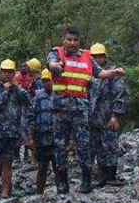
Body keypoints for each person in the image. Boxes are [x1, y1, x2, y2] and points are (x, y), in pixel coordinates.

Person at [47, 26, 125, 194]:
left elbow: (101, 73)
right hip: (60, 108)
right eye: (69, 40)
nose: (72, 43)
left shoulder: (87, 57)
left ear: (79, 41)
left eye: (75, 40)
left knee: (84, 145)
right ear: (63, 40)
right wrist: (55, 66)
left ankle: (86, 182)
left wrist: (115, 72)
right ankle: (62, 183)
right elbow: (51, 64)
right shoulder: (56, 53)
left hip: (80, 109)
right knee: (60, 145)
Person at [0, 59, 33, 199]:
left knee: (8, 163)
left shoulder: (18, 89)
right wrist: (6, 92)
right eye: (5, 72)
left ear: (14, 73)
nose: (7, 74)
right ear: (0, 72)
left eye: (10, 72)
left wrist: (16, 88)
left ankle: (6, 192)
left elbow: (27, 100)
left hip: (13, 132)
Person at [87, 44, 128, 187]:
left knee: (110, 146)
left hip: (108, 117)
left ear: (105, 57)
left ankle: (111, 176)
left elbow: (120, 94)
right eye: (94, 57)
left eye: (100, 56)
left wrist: (116, 115)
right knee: (97, 147)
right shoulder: (89, 74)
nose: (97, 60)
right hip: (93, 118)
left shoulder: (113, 73)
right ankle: (102, 176)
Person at [29, 69, 56, 195]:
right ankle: (39, 193)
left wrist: (71, 139)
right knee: (42, 167)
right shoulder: (38, 97)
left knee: (59, 166)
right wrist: (30, 137)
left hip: (57, 137)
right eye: (45, 81)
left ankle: (62, 192)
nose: (47, 83)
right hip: (42, 137)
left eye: (49, 80)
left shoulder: (60, 95)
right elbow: (32, 118)